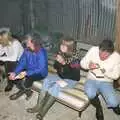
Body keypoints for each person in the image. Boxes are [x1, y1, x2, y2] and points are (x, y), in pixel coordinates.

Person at [27, 37, 82, 120]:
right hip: (61, 76)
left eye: (65, 45)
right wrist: (59, 63)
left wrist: (63, 63)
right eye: (62, 44)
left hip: (71, 80)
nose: (62, 46)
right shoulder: (61, 53)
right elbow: (56, 67)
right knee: (46, 80)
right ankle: (38, 107)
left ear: (70, 47)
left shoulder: (75, 60)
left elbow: (76, 77)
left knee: (55, 86)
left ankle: (43, 112)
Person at [80, 39, 120, 120]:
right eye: (100, 53)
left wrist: (105, 72)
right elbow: (82, 63)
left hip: (106, 81)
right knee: (90, 93)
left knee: (114, 102)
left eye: (106, 56)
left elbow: (116, 75)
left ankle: (115, 106)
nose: (102, 57)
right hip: (92, 78)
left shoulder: (117, 57)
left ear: (111, 53)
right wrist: (88, 65)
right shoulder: (93, 50)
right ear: (99, 49)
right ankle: (98, 108)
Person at [8, 33, 48, 100]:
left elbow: (41, 68)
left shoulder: (41, 52)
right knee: (16, 77)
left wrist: (26, 73)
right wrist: (15, 72)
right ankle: (29, 92)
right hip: (28, 70)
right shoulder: (27, 50)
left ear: (33, 41)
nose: (25, 40)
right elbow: (22, 62)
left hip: (40, 73)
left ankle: (20, 92)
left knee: (28, 78)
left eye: (27, 39)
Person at [0, 28, 24, 92]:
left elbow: (14, 58)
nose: (0, 41)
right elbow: (1, 52)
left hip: (21, 61)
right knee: (7, 62)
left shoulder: (16, 43)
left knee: (10, 63)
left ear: (5, 39)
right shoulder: (3, 44)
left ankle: (19, 84)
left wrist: (1, 58)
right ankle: (10, 83)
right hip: (11, 61)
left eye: (1, 39)